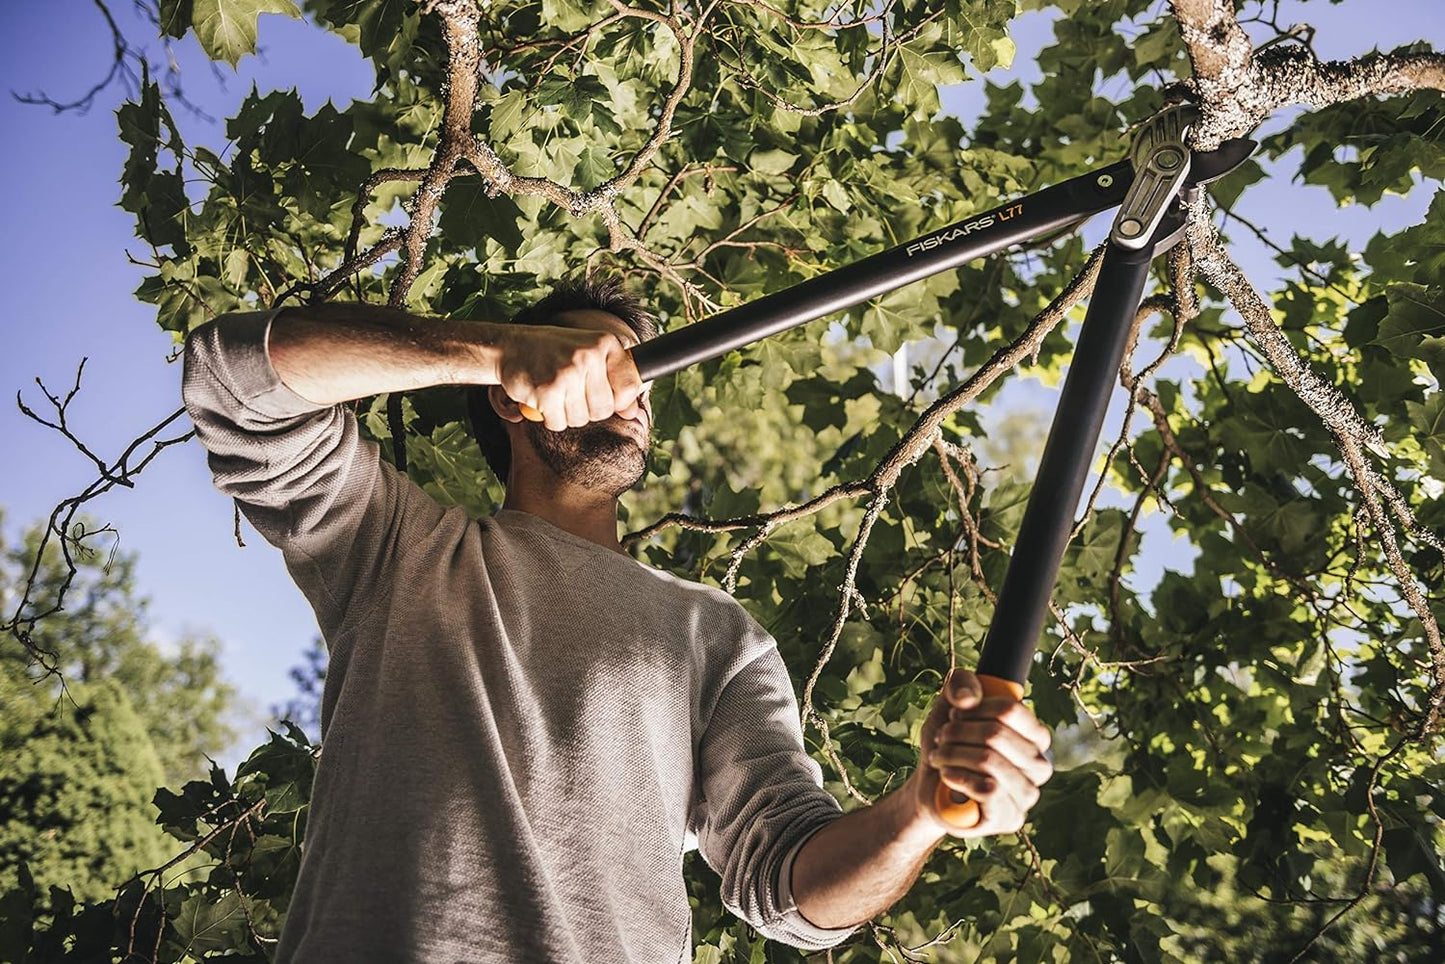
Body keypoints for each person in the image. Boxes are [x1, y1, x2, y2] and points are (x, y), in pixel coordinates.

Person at [180, 274, 1053, 963]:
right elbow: (233, 380)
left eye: (644, 373)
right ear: (514, 391)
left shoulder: (714, 634)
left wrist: (920, 811)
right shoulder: (397, 550)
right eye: (602, 362)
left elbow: (786, 884)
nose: (635, 389)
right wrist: (492, 347)